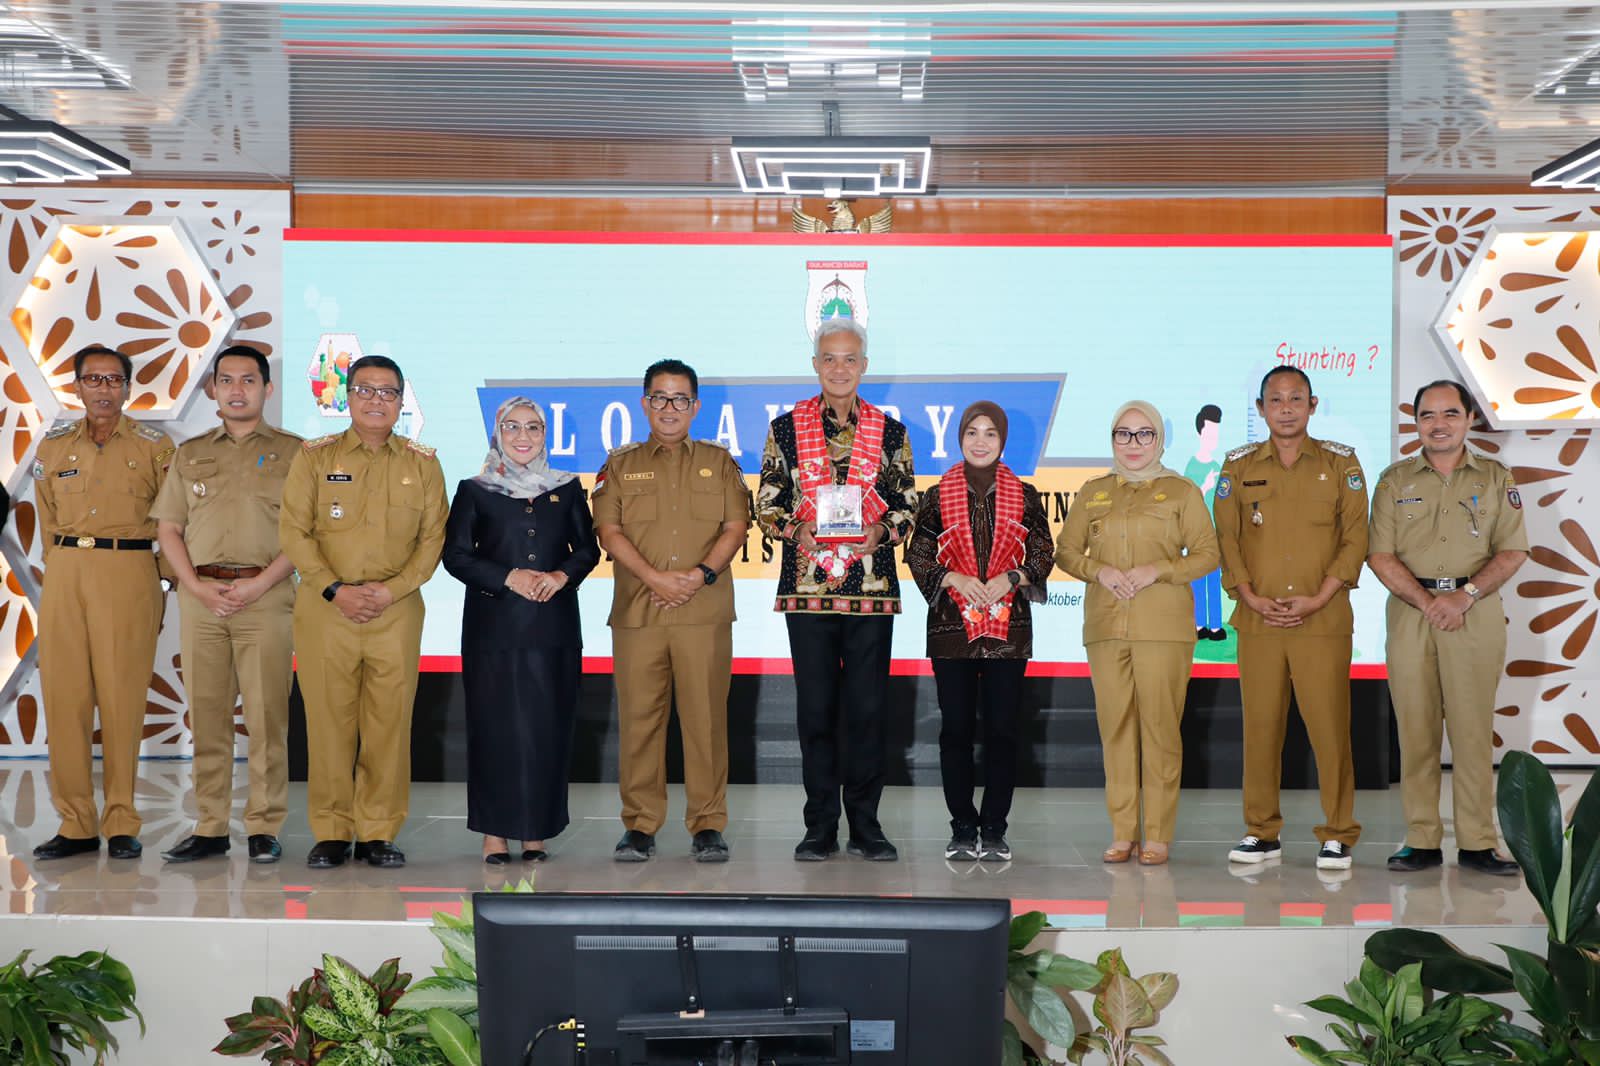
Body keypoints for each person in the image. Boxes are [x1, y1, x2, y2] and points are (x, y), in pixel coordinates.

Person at [755, 318, 918, 862]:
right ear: (815, 365)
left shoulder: (891, 433)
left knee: (868, 712)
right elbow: (766, 504)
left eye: (850, 359)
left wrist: (882, 531)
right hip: (807, 590)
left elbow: (907, 504)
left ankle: (866, 826)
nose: (840, 368)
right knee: (816, 712)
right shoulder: (785, 429)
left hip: (871, 589)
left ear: (864, 366)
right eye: (830, 358)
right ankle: (820, 826)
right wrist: (796, 528)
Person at [279, 355, 447, 869]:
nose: (377, 400)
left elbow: (432, 540)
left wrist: (391, 590)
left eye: (388, 392)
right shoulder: (314, 457)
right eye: (366, 390)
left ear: (402, 401)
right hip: (326, 610)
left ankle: (378, 831)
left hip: (395, 612)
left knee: (388, 725)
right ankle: (332, 831)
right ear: (347, 397)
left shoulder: (422, 463)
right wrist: (335, 590)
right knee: (328, 723)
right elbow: (294, 531)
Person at [591, 359, 751, 863]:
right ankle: (640, 825)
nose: (669, 408)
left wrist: (699, 575)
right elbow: (609, 531)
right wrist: (656, 578)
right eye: (659, 397)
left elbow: (735, 526)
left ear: (695, 407)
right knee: (640, 722)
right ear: (645, 403)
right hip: (639, 613)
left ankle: (708, 823)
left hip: (704, 612)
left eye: (680, 399)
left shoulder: (718, 462)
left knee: (706, 724)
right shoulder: (620, 464)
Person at [1368, 380, 1527, 877]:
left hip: (1473, 614)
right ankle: (1421, 839)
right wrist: (1427, 602)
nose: (1438, 425)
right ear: (1415, 422)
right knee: (1416, 732)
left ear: (1470, 418)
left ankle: (1478, 843)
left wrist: (1465, 596)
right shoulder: (1394, 481)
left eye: (1450, 414)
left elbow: (1513, 550)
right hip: (1411, 614)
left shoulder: (1496, 478)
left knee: (1472, 732)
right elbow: (1379, 555)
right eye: (1428, 415)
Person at [1214, 366, 1369, 870]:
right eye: (1276, 400)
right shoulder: (1237, 466)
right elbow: (1226, 537)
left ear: (1312, 405)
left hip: (1321, 620)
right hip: (1258, 619)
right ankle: (1261, 832)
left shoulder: (1341, 463)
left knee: (1330, 729)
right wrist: (1249, 597)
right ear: (1261, 409)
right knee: (1260, 730)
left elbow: (1356, 537)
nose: (1286, 408)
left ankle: (1338, 833)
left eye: (1296, 399)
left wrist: (1319, 597)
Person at [153, 345, 301, 865]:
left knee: (266, 718)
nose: (237, 390)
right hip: (202, 600)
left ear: (267, 388)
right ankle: (210, 826)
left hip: (266, 597)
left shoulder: (296, 453)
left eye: (248, 380)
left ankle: (264, 826)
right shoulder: (190, 453)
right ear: (212, 389)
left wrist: (259, 585)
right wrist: (194, 586)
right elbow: (169, 528)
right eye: (227, 381)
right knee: (208, 716)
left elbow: (304, 534)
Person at [1055, 401, 1219, 866]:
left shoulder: (1181, 491)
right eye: (1122, 434)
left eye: (1144, 434)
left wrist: (1158, 569)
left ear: (1159, 440)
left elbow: (1207, 553)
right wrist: (1098, 570)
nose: (1133, 443)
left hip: (1163, 628)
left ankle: (1159, 834)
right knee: (1116, 731)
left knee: (1161, 731)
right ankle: (1123, 831)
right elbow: (1066, 551)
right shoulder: (1094, 492)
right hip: (1106, 627)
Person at [31, 344, 174, 861]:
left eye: (114, 380)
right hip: (67, 572)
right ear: (77, 387)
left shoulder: (156, 446)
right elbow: (46, 518)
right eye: (93, 379)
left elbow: (174, 519)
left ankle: (121, 822)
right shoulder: (53, 448)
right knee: (65, 699)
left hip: (128, 569)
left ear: (128, 388)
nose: (104, 389)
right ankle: (75, 823)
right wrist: (62, 569)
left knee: (122, 699)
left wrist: (162, 580)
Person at [442, 396, 600, 864]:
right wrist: (507, 577)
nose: (523, 436)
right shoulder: (475, 489)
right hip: (493, 632)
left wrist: (561, 576)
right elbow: (456, 556)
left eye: (533, 427)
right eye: (512, 426)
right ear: (498, 433)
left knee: (546, 730)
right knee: (494, 730)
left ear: (545, 435)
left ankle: (537, 833)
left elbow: (587, 550)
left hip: (553, 631)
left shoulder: (566, 489)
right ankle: (495, 834)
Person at [905, 402, 1053, 863]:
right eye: (972, 432)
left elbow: (1043, 551)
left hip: (1009, 631)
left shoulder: (1026, 495)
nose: (981, 441)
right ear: (960, 439)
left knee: (1003, 731)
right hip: (952, 629)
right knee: (955, 731)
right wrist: (953, 578)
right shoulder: (937, 495)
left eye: (991, 433)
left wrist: (1014, 577)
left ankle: (994, 828)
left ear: (1003, 441)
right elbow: (918, 553)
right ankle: (962, 826)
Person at [1183, 404, 1227, 641]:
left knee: (1213, 582)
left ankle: (1215, 626)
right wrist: (1205, 486)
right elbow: (1186, 502)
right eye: (1210, 432)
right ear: (1200, 432)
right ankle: (1199, 624)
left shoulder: (1218, 467)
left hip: (1215, 536)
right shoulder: (1192, 466)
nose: (1213, 438)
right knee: (1198, 583)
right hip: (1195, 537)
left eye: (1216, 433)